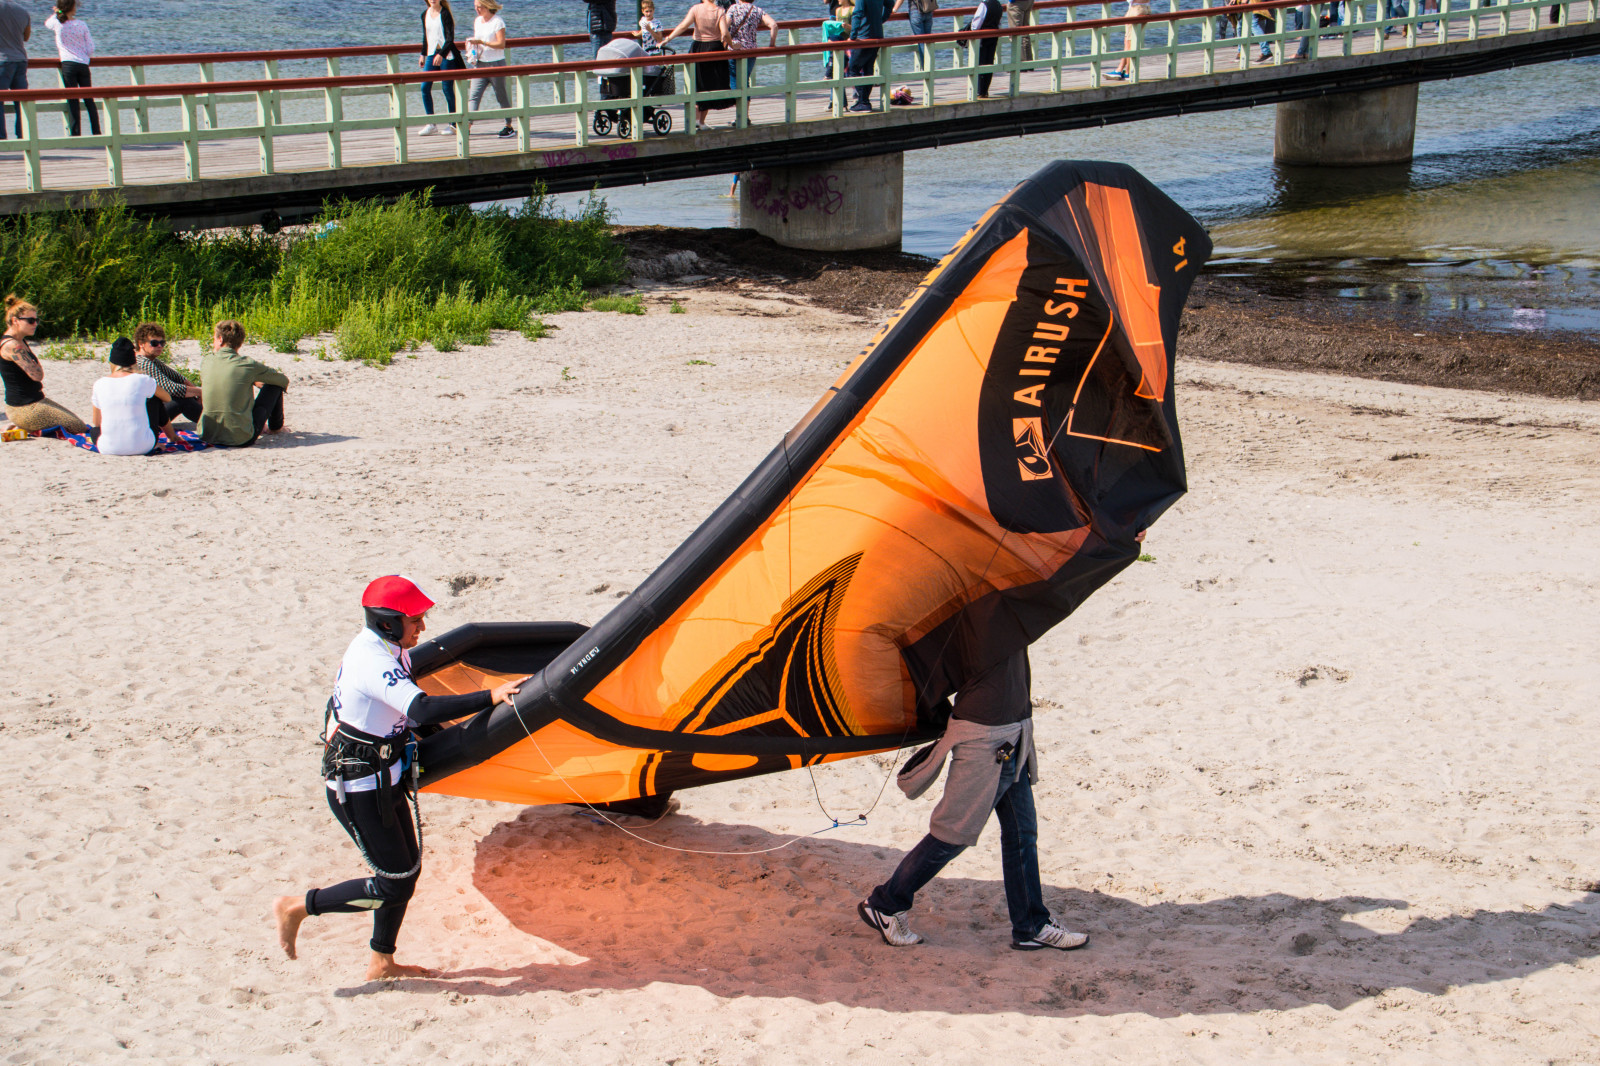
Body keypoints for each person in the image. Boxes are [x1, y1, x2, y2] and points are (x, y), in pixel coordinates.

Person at [274, 576, 529, 980]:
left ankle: (382, 962)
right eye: (415, 620)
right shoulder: (372, 660)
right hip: (358, 787)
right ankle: (298, 906)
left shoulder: (392, 649)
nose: (422, 628)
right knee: (393, 883)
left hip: (386, 774)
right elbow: (422, 710)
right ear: (389, 621)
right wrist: (490, 696)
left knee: (406, 872)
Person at [858, 649, 1089, 951]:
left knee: (1022, 833)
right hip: (985, 740)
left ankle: (1032, 925)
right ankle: (886, 903)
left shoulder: (1008, 610)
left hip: (1013, 732)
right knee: (953, 834)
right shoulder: (978, 612)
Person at [1, 295, 87, 434]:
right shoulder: (12, 345)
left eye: (36, 320)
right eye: (30, 321)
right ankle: (26, 426)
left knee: (77, 423)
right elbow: (37, 375)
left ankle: (24, 426)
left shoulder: (19, 341)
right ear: (15, 321)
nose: (35, 324)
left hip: (35, 400)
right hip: (25, 407)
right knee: (77, 428)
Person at [197, 320, 288, 447]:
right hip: (240, 438)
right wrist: (256, 381)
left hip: (206, 434)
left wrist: (251, 380)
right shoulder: (247, 364)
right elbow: (282, 380)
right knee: (274, 386)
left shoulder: (207, 361)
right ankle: (275, 427)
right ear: (240, 342)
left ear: (220, 339)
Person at [89, 338, 182, 455]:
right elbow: (167, 398)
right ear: (133, 361)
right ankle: (172, 436)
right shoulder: (142, 380)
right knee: (154, 398)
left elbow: (97, 423)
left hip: (108, 448)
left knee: (94, 431)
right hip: (143, 446)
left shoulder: (99, 384)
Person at [662, 0, 735, 127]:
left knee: (698, 84)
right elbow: (724, 33)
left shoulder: (696, 9)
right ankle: (701, 122)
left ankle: (696, 121)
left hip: (698, 48)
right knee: (709, 85)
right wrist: (733, 45)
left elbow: (683, 26)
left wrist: (667, 39)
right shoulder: (719, 11)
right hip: (714, 48)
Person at [131, 321, 203, 424]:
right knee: (182, 400)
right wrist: (200, 392)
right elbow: (171, 388)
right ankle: (210, 423)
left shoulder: (151, 360)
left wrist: (197, 394)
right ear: (141, 344)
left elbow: (179, 378)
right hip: (142, 417)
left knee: (185, 395)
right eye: (154, 343)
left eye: (162, 343)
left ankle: (207, 419)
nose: (159, 346)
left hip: (146, 410)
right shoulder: (143, 363)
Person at [45, 0, 97, 138]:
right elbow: (91, 48)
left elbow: (47, 23)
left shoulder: (58, 23)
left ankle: (75, 133)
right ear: (73, 7)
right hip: (83, 64)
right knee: (89, 100)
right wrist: (83, 55)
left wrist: (57, 12)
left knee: (73, 100)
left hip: (68, 64)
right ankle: (97, 132)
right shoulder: (81, 24)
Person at [466, 0, 515, 138]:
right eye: (475, 7)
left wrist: (482, 42)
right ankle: (468, 126)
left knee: (501, 96)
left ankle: (509, 125)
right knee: (474, 96)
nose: (477, 9)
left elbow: (501, 44)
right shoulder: (477, 21)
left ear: (487, 6)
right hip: (480, 64)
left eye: (479, 7)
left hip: (496, 64)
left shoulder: (498, 22)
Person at [417, 0, 466, 136]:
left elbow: (450, 39)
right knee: (424, 87)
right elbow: (426, 37)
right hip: (431, 55)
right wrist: (422, 54)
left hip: (446, 55)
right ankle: (431, 123)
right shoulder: (424, 14)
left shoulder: (445, 14)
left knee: (447, 89)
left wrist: (441, 54)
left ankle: (453, 124)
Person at [723, 0, 777, 87]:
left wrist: (725, 40)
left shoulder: (733, 8)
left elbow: (725, 27)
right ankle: (746, 100)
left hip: (735, 48)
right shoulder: (757, 10)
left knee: (734, 78)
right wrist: (772, 45)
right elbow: (773, 25)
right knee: (745, 78)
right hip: (751, 51)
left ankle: (736, 100)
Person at [845, 0, 885, 111]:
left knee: (852, 69)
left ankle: (863, 101)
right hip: (877, 35)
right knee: (868, 69)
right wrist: (881, 19)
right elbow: (890, 3)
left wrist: (853, 36)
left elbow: (857, 14)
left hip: (864, 37)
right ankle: (864, 102)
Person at [0, 0, 29, 141]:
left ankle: (1, 138)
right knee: (21, 102)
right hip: (21, 60)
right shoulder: (23, 10)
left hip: (2, 61)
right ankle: (23, 137)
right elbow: (26, 36)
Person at [967, 0, 1004, 98]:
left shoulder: (984, 5)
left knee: (981, 62)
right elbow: (999, 23)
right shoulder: (998, 5)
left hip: (983, 37)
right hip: (994, 36)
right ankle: (985, 90)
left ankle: (980, 91)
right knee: (989, 61)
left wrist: (972, 30)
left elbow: (976, 23)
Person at [1109, 0, 1150, 80]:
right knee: (1127, 41)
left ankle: (1128, 72)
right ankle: (1119, 69)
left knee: (1129, 42)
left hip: (1136, 8)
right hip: (1146, 8)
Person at [889, 0, 934, 72]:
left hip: (916, 11)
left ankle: (927, 71)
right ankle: (929, 69)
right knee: (927, 42)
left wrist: (894, 9)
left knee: (921, 42)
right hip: (929, 11)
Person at [822, 3, 850, 78]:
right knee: (832, 47)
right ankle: (829, 74)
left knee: (836, 54)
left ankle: (828, 75)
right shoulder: (838, 10)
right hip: (840, 35)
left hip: (846, 37)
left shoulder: (851, 10)